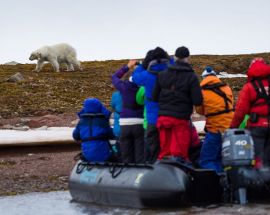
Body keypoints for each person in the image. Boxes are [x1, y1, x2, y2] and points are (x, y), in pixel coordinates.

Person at [152, 46, 203, 162]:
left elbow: (154, 97)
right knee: (178, 154)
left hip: (163, 119)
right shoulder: (191, 77)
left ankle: (161, 176)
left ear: (175, 57)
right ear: (188, 58)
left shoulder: (162, 74)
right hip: (180, 120)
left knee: (164, 153)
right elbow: (197, 101)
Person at [131, 47, 170, 163]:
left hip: (152, 120)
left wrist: (142, 65)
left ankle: (153, 171)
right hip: (169, 117)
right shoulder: (172, 72)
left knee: (152, 149)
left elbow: (135, 78)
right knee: (168, 148)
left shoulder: (146, 76)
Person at [230, 58, 270, 168]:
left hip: (257, 127)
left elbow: (240, 112)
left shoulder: (249, 87)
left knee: (257, 158)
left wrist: (233, 127)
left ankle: (258, 181)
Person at [196, 66, 234, 173]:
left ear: (204, 77)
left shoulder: (202, 91)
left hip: (215, 129)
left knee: (206, 159)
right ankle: (227, 183)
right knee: (225, 158)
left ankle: (217, 183)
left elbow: (199, 111)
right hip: (229, 129)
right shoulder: (226, 87)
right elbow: (230, 105)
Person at [111, 60, 145, 163]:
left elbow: (114, 77)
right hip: (139, 122)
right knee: (140, 153)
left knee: (126, 153)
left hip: (124, 123)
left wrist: (127, 66)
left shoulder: (124, 87)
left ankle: (126, 173)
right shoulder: (144, 87)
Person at [72, 98, 113, 162]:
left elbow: (75, 136)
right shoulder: (102, 121)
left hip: (87, 157)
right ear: (99, 107)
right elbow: (111, 135)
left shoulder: (82, 122)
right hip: (105, 156)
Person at [110, 90, 122, 156]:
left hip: (118, 130)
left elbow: (112, 106)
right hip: (136, 126)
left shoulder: (116, 94)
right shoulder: (136, 91)